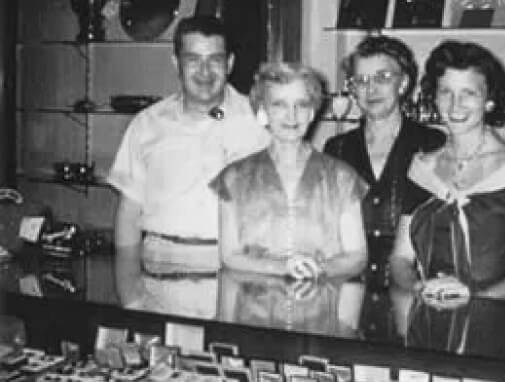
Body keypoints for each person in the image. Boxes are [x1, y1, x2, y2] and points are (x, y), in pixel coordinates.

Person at [108, 16, 269, 318]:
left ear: (231, 63)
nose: (205, 72)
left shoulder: (260, 123)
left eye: (215, 60)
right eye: (193, 60)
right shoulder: (147, 125)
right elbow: (128, 215)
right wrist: (131, 303)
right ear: (175, 62)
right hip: (157, 276)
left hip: (237, 279)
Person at [389, 40, 505, 347]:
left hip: (490, 331)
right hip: (427, 327)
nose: (455, 106)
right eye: (446, 92)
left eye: (468, 93)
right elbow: (400, 259)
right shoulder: (421, 168)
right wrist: (419, 288)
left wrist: (476, 297)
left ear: (489, 100)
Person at [211, 62, 368, 320]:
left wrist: (318, 268)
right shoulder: (234, 177)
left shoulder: (342, 177)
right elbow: (229, 256)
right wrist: (282, 267)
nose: (291, 116)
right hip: (253, 321)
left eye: (302, 105)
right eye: (279, 105)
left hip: (320, 321)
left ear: (313, 112)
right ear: (262, 111)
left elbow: (357, 255)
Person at [323, 35, 446, 342]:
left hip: (413, 295)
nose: (371, 89)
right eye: (361, 80)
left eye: (382, 77)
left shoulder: (431, 144)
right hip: (348, 299)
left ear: (403, 83)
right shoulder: (336, 148)